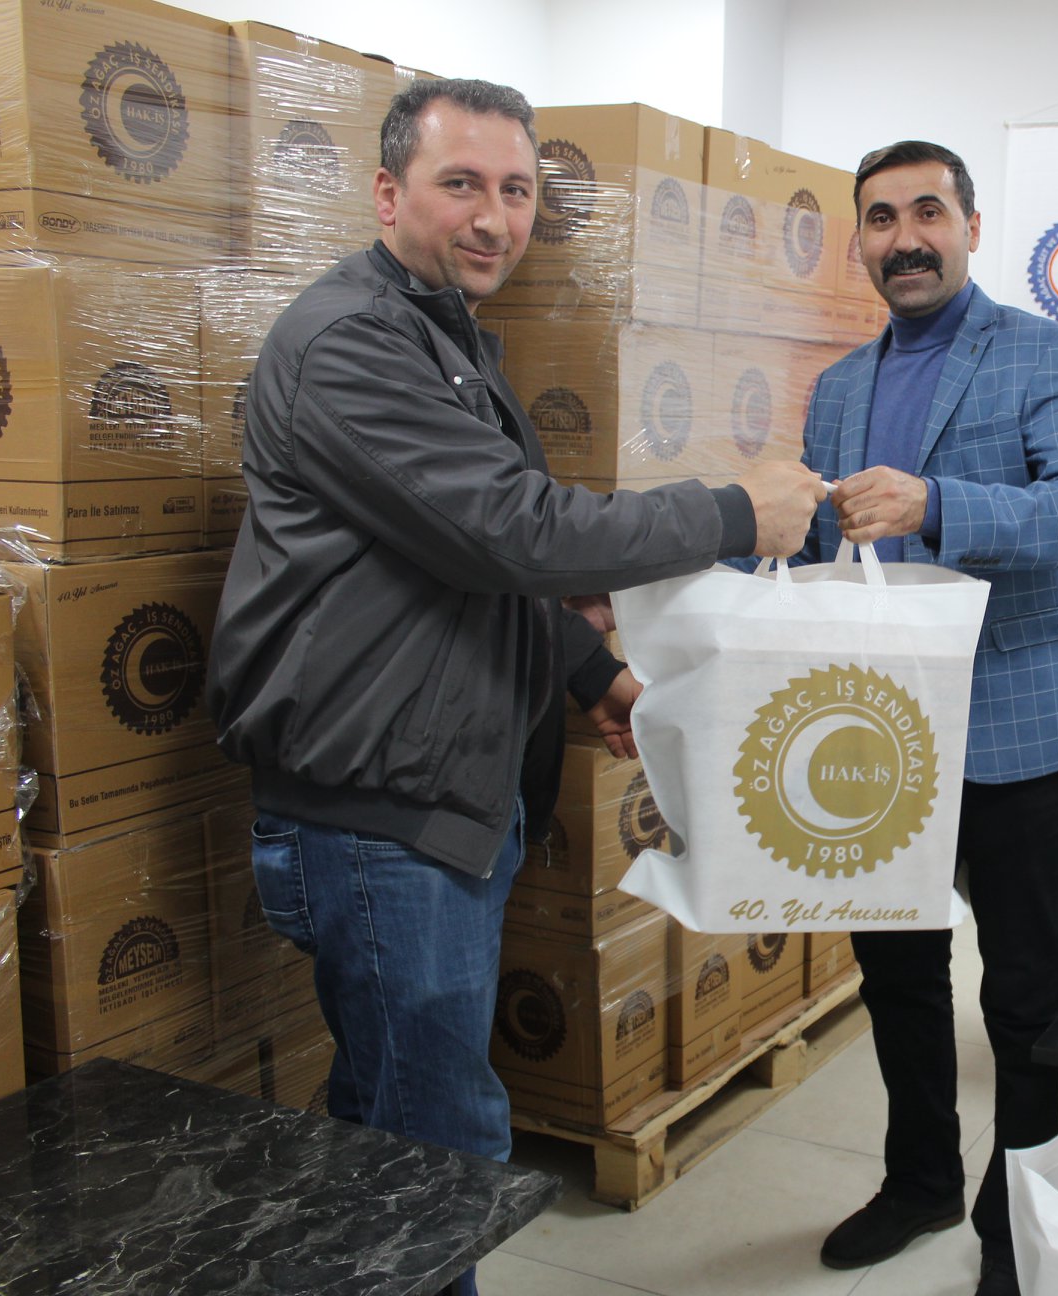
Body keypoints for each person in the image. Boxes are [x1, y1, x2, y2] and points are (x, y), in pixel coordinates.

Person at [205, 79, 826, 1296]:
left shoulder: (443, 343)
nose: (494, 218)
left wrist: (591, 674)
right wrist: (730, 514)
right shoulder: (351, 345)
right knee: (438, 1159)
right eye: (461, 185)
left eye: (516, 190)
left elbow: (465, 566)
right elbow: (512, 531)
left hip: (442, 801)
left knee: (393, 1136)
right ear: (387, 194)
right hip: (381, 819)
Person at [798, 140, 1058, 1296]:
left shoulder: (1044, 350)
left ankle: (1015, 1225)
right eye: (882, 219)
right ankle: (923, 1180)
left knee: (1025, 996)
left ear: (972, 227)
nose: (906, 239)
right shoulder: (838, 388)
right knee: (896, 978)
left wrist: (935, 503)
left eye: (928, 212)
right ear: (860, 243)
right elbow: (814, 545)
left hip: (1016, 728)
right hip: (880, 738)